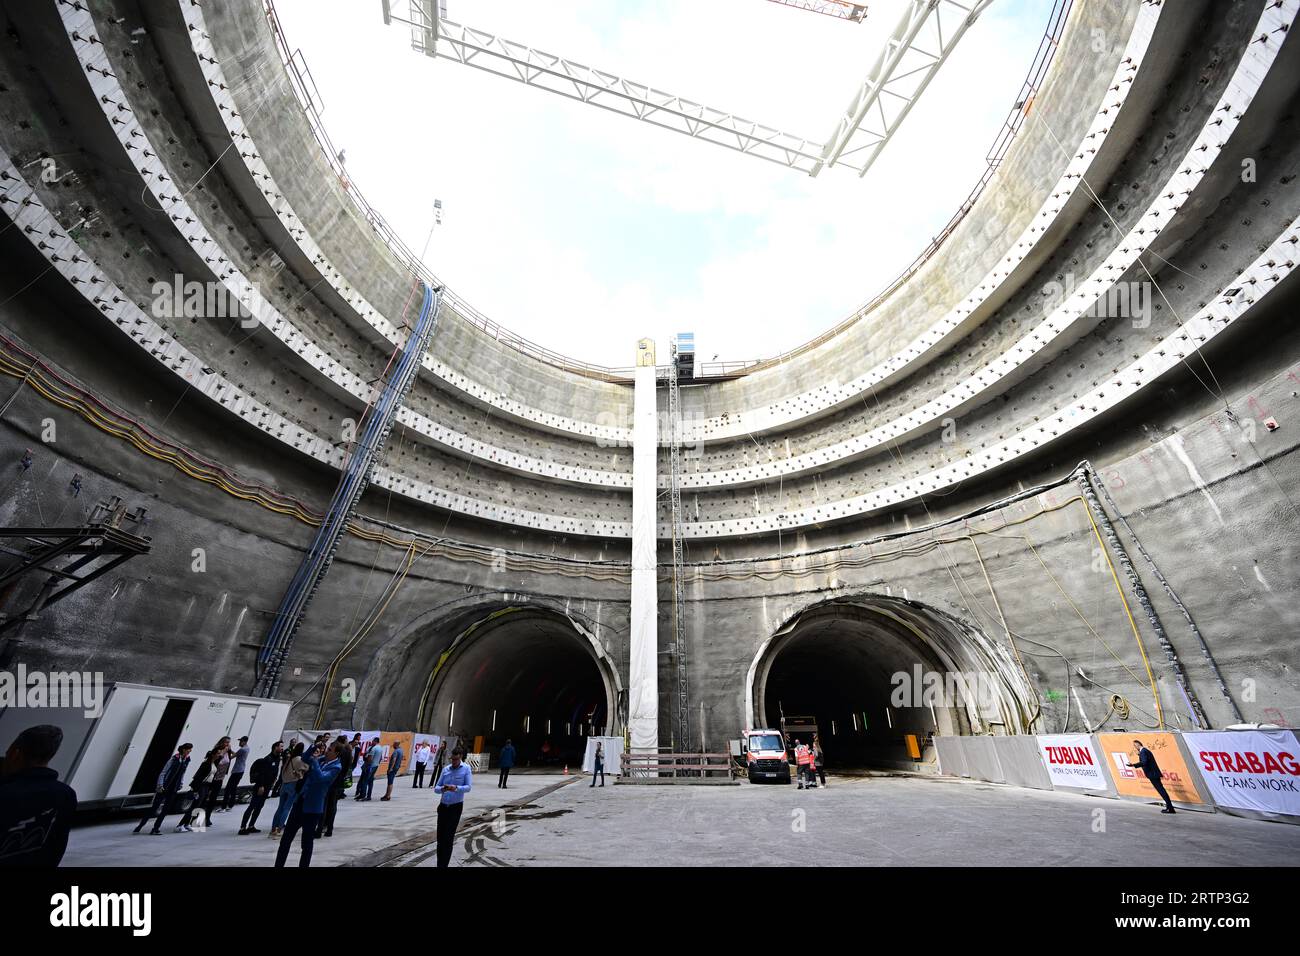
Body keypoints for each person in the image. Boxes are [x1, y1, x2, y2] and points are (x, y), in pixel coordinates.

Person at [0, 725, 77, 866]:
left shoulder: (5, 794)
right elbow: (57, 846)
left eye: (6, 754)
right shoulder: (66, 795)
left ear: (15, 754)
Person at [274, 741, 341, 867]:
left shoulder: (336, 767)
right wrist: (313, 747)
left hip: (313, 808)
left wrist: (315, 761)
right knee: (285, 840)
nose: (326, 751)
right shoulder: (321, 760)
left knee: (306, 844)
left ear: (336, 753)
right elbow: (305, 758)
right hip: (300, 803)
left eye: (330, 750)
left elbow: (320, 778)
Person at [133, 743, 192, 834]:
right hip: (165, 787)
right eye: (189, 749)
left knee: (165, 810)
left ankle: (155, 829)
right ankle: (140, 826)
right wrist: (160, 785)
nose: (190, 751)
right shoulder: (174, 759)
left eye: (190, 749)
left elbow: (183, 773)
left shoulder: (186, 760)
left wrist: (181, 783)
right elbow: (163, 772)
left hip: (174, 788)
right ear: (184, 749)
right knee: (154, 808)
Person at [432, 747, 472, 868]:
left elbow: (468, 787)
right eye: (452, 759)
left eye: (456, 759)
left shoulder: (466, 769)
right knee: (440, 839)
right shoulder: (446, 770)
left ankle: (444, 865)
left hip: (455, 807)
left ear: (460, 757)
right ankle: (440, 864)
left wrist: (456, 788)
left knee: (448, 839)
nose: (454, 762)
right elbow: (436, 788)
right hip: (443, 806)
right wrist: (442, 789)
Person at [239, 741, 282, 834]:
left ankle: (251, 825)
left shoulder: (278, 759)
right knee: (252, 806)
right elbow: (262, 773)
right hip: (260, 786)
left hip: (268, 786)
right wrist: (261, 786)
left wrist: (273, 781)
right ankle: (242, 827)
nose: (282, 748)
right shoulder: (267, 759)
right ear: (275, 747)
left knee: (259, 807)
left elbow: (275, 771)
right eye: (281, 746)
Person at [318, 736, 352, 838]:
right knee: (332, 806)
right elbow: (347, 767)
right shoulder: (348, 752)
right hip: (338, 782)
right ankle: (329, 828)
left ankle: (320, 827)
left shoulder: (338, 754)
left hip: (331, 781)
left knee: (324, 805)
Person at [1128, 739, 1175, 813]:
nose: (1134, 747)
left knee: (1161, 791)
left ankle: (1170, 808)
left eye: (1134, 745)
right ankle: (1170, 807)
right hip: (1154, 774)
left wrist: (1133, 765)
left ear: (1138, 744)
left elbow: (1144, 762)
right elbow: (1146, 761)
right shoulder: (1144, 751)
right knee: (1161, 790)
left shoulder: (1143, 751)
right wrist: (1139, 755)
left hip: (1153, 774)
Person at [270, 743, 306, 838]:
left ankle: (273, 828)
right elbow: (306, 768)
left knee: (280, 807)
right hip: (293, 784)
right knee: (287, 808)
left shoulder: (289, 759)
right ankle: (279, 829)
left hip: (284, 784)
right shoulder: (298, 759)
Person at [177, 749, 217, 831]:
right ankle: (180, 825)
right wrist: (195, 789)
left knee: (200, 805)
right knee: (195, 806)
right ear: (213, 754)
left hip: (207, 786)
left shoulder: (213, 764)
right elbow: (198, 776)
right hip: (201, 786)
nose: (219, 755)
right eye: (218, 753)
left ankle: (188, 823)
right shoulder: (206, 763)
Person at [222, 736, 251, 809]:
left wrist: (223, 754)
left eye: (240, 741)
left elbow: (232, 757)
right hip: (240, 770)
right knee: (233, 788)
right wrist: (230, 750)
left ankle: (224, 807)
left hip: (237, 771)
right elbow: (236, 754)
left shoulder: (243, 749)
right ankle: (231, 805)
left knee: (228, 788)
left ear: (244, 742)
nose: (239, 743)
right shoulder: (247, 748)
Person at [356, 737, 382, 801]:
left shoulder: (374, 748)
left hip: (370, 766)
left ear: (375, 741)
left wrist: (367, 766)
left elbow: (370, 759)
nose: (372, 742)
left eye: (373, 741)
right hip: (375, 766)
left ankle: (363, 795)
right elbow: (380, 758)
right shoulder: (380, 748)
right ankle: (368, 795)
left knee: (365, 781)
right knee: (370, 781)